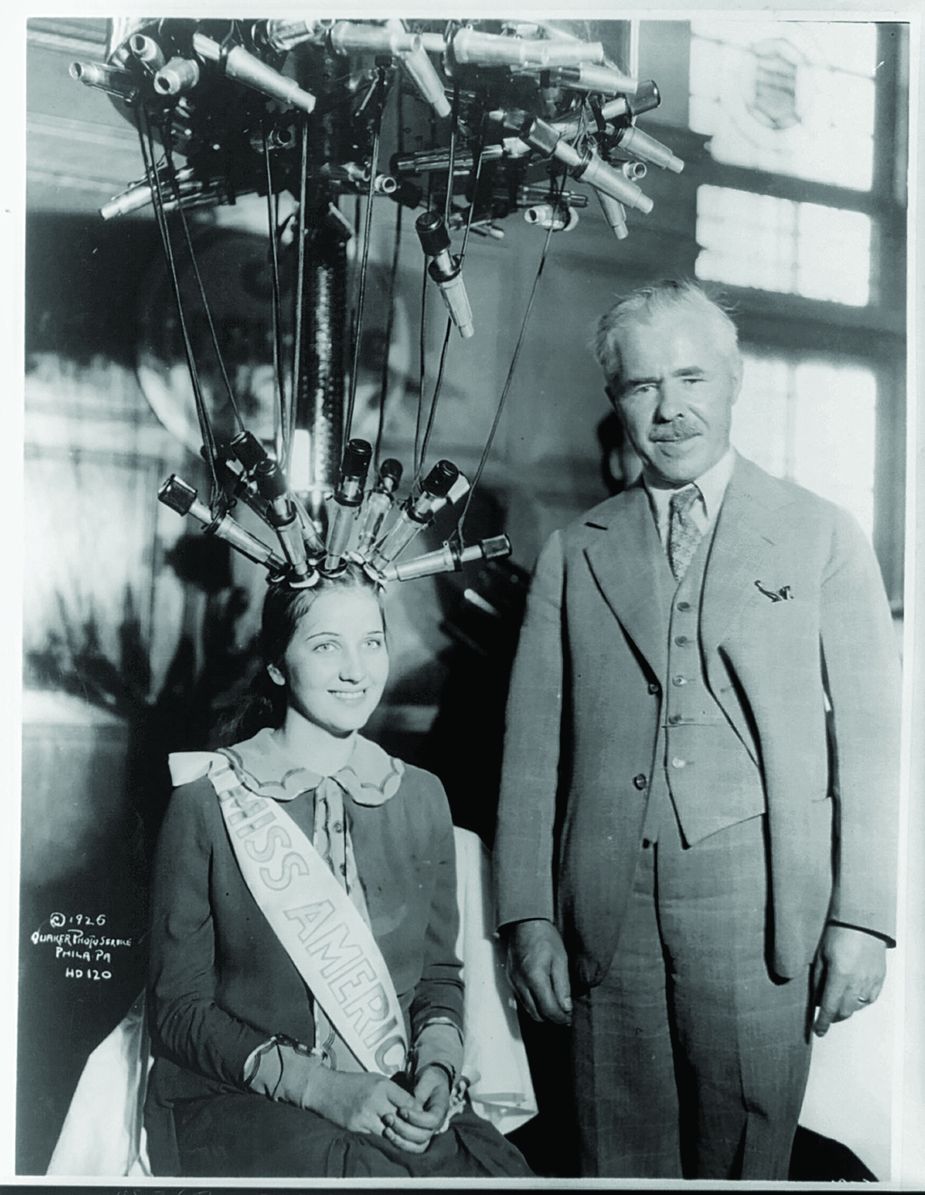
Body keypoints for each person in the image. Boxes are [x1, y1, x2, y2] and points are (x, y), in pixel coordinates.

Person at [492, 280, 901, 1180]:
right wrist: (526, 917)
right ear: (616, 401)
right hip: (602, 912)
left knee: (748, 1152)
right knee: (611, 1149)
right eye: (641, 386)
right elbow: (529, 757)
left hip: (759, 911)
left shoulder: (820, 535)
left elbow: (871, 748)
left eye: (691, 378)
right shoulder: (575, 549)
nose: (670, 408)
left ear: (733, 380)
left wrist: (861, 921)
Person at [144, 564, 531, 1179]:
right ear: (276, 664)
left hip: (387, 1094)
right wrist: (324, 1090)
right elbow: (178, 1012)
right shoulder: (209, 803)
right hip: (242, 1104)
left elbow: (438, 977)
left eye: (371, 643)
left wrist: (436, 1068)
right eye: (327, 646)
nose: (356, 670)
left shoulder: (421, 797)